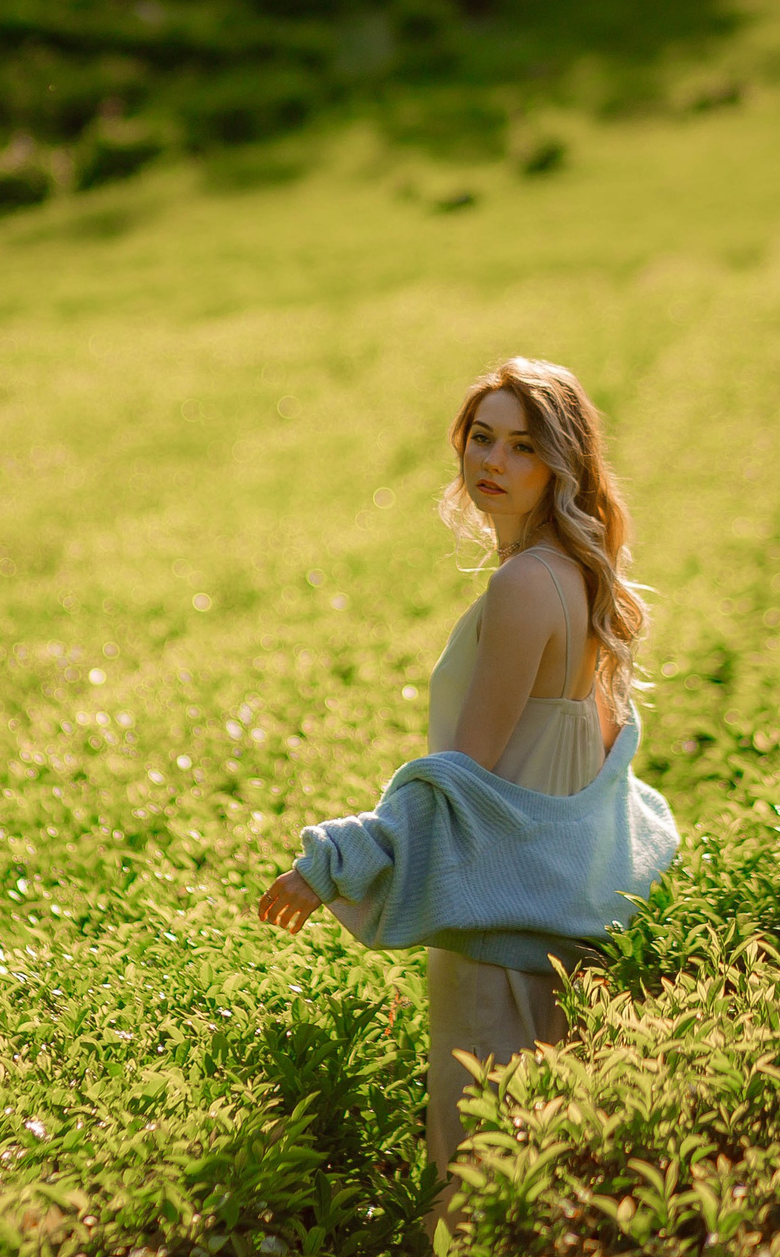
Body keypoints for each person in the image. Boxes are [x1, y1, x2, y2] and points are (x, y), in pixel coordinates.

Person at [253, 356, 679, 1185]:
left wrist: (335, 860)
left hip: (497, 934)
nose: (492, 462)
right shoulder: (579, 573)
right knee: (547, 1180)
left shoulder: (526, 583)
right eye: (481, 438)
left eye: (522, 447)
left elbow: (462, 774)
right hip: (558, 921)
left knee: (480, 1176)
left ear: (561, 464)